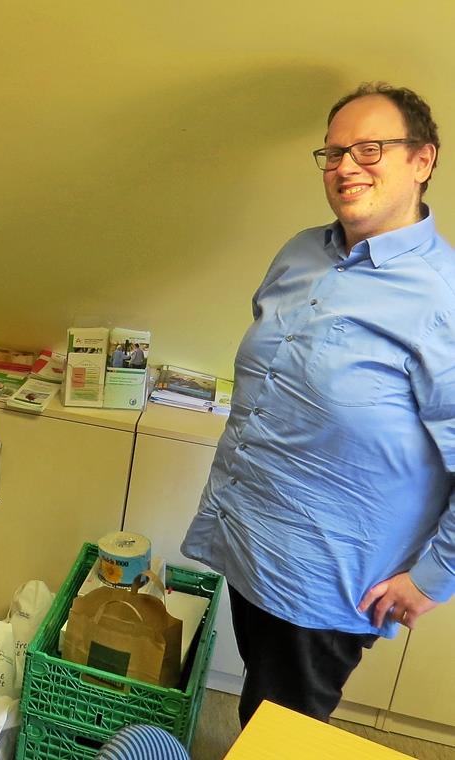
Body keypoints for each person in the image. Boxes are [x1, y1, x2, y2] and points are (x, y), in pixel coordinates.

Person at [182, 83, 455, 726]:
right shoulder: (303, 251)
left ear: (423, 160)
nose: (344, 168)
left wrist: (432, 577)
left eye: (369, 148)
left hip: (327, 582)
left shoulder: (443, 301)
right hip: (250, 542)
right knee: (257, 697)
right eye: (332, 154)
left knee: (283, 728)